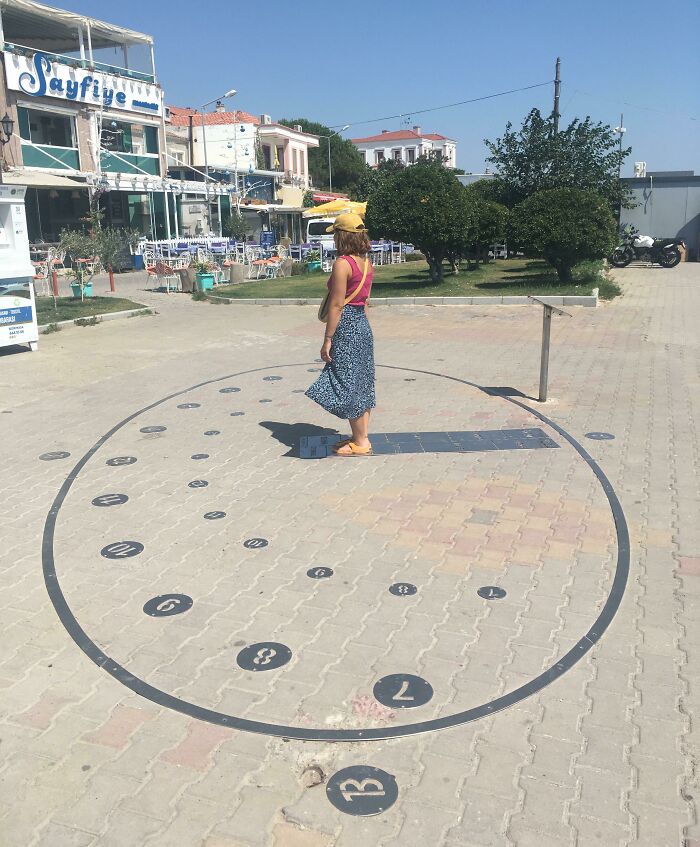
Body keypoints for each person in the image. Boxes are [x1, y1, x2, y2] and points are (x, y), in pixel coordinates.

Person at [305, 213, 375, 456]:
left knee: (347, 384)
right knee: (362, 383)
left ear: (342, 236)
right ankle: (361, 437)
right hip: (363, 327)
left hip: (346, 328)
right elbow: (365, 302)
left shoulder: (342, 264)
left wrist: (327, 339)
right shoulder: (366, 263)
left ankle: (361, 443)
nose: (334, 239)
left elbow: (336, 305)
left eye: (335, 234)